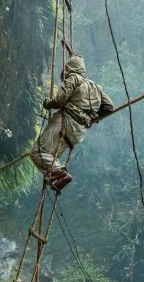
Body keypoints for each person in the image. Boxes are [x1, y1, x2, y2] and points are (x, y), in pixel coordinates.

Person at [31, 55, 113, 192]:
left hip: (65, 122)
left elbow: (59, 101)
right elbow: (109, 107)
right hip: (78, 132)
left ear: (69, 69)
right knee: (51, 155)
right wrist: (92, 119)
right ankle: (55, 177)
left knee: (38, 152)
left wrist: (47, 103)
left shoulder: (73, 78)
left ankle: (61, 173)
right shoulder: (96, 88)